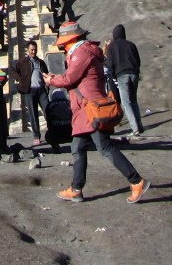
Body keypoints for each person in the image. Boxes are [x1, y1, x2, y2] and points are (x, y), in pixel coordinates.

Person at [45, 22, 150, 204]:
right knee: (77, 147)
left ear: (72, 39)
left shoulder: (81, 53)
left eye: (64, 42)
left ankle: (137, 181)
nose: (63, 46)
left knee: (105, 147)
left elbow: (70, 78)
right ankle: (76, 189)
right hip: (84, 110)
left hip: (89, 109)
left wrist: (52, 80)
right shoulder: (84, 51)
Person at [9, 39, 50, 146]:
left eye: (35, 50)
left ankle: (52, 132)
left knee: (48, 110)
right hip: (29, 91)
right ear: (27, 50)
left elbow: (46, 73)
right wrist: (20, 79)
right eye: (31, 50)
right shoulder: (22, 62)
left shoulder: (40, 62)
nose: (33, 52)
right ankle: (36, 136)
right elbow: (12, 70)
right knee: (33, 114)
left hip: (41, 90)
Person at [105, 25, 144, 136]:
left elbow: (110, 64)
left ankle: (135, 129)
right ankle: (140, 126)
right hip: (134, 74)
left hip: (121, 75)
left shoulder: (111, 46)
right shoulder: (131, 44)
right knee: (133, 100)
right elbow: (138, 60)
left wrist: (113, 76)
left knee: (126, 102)